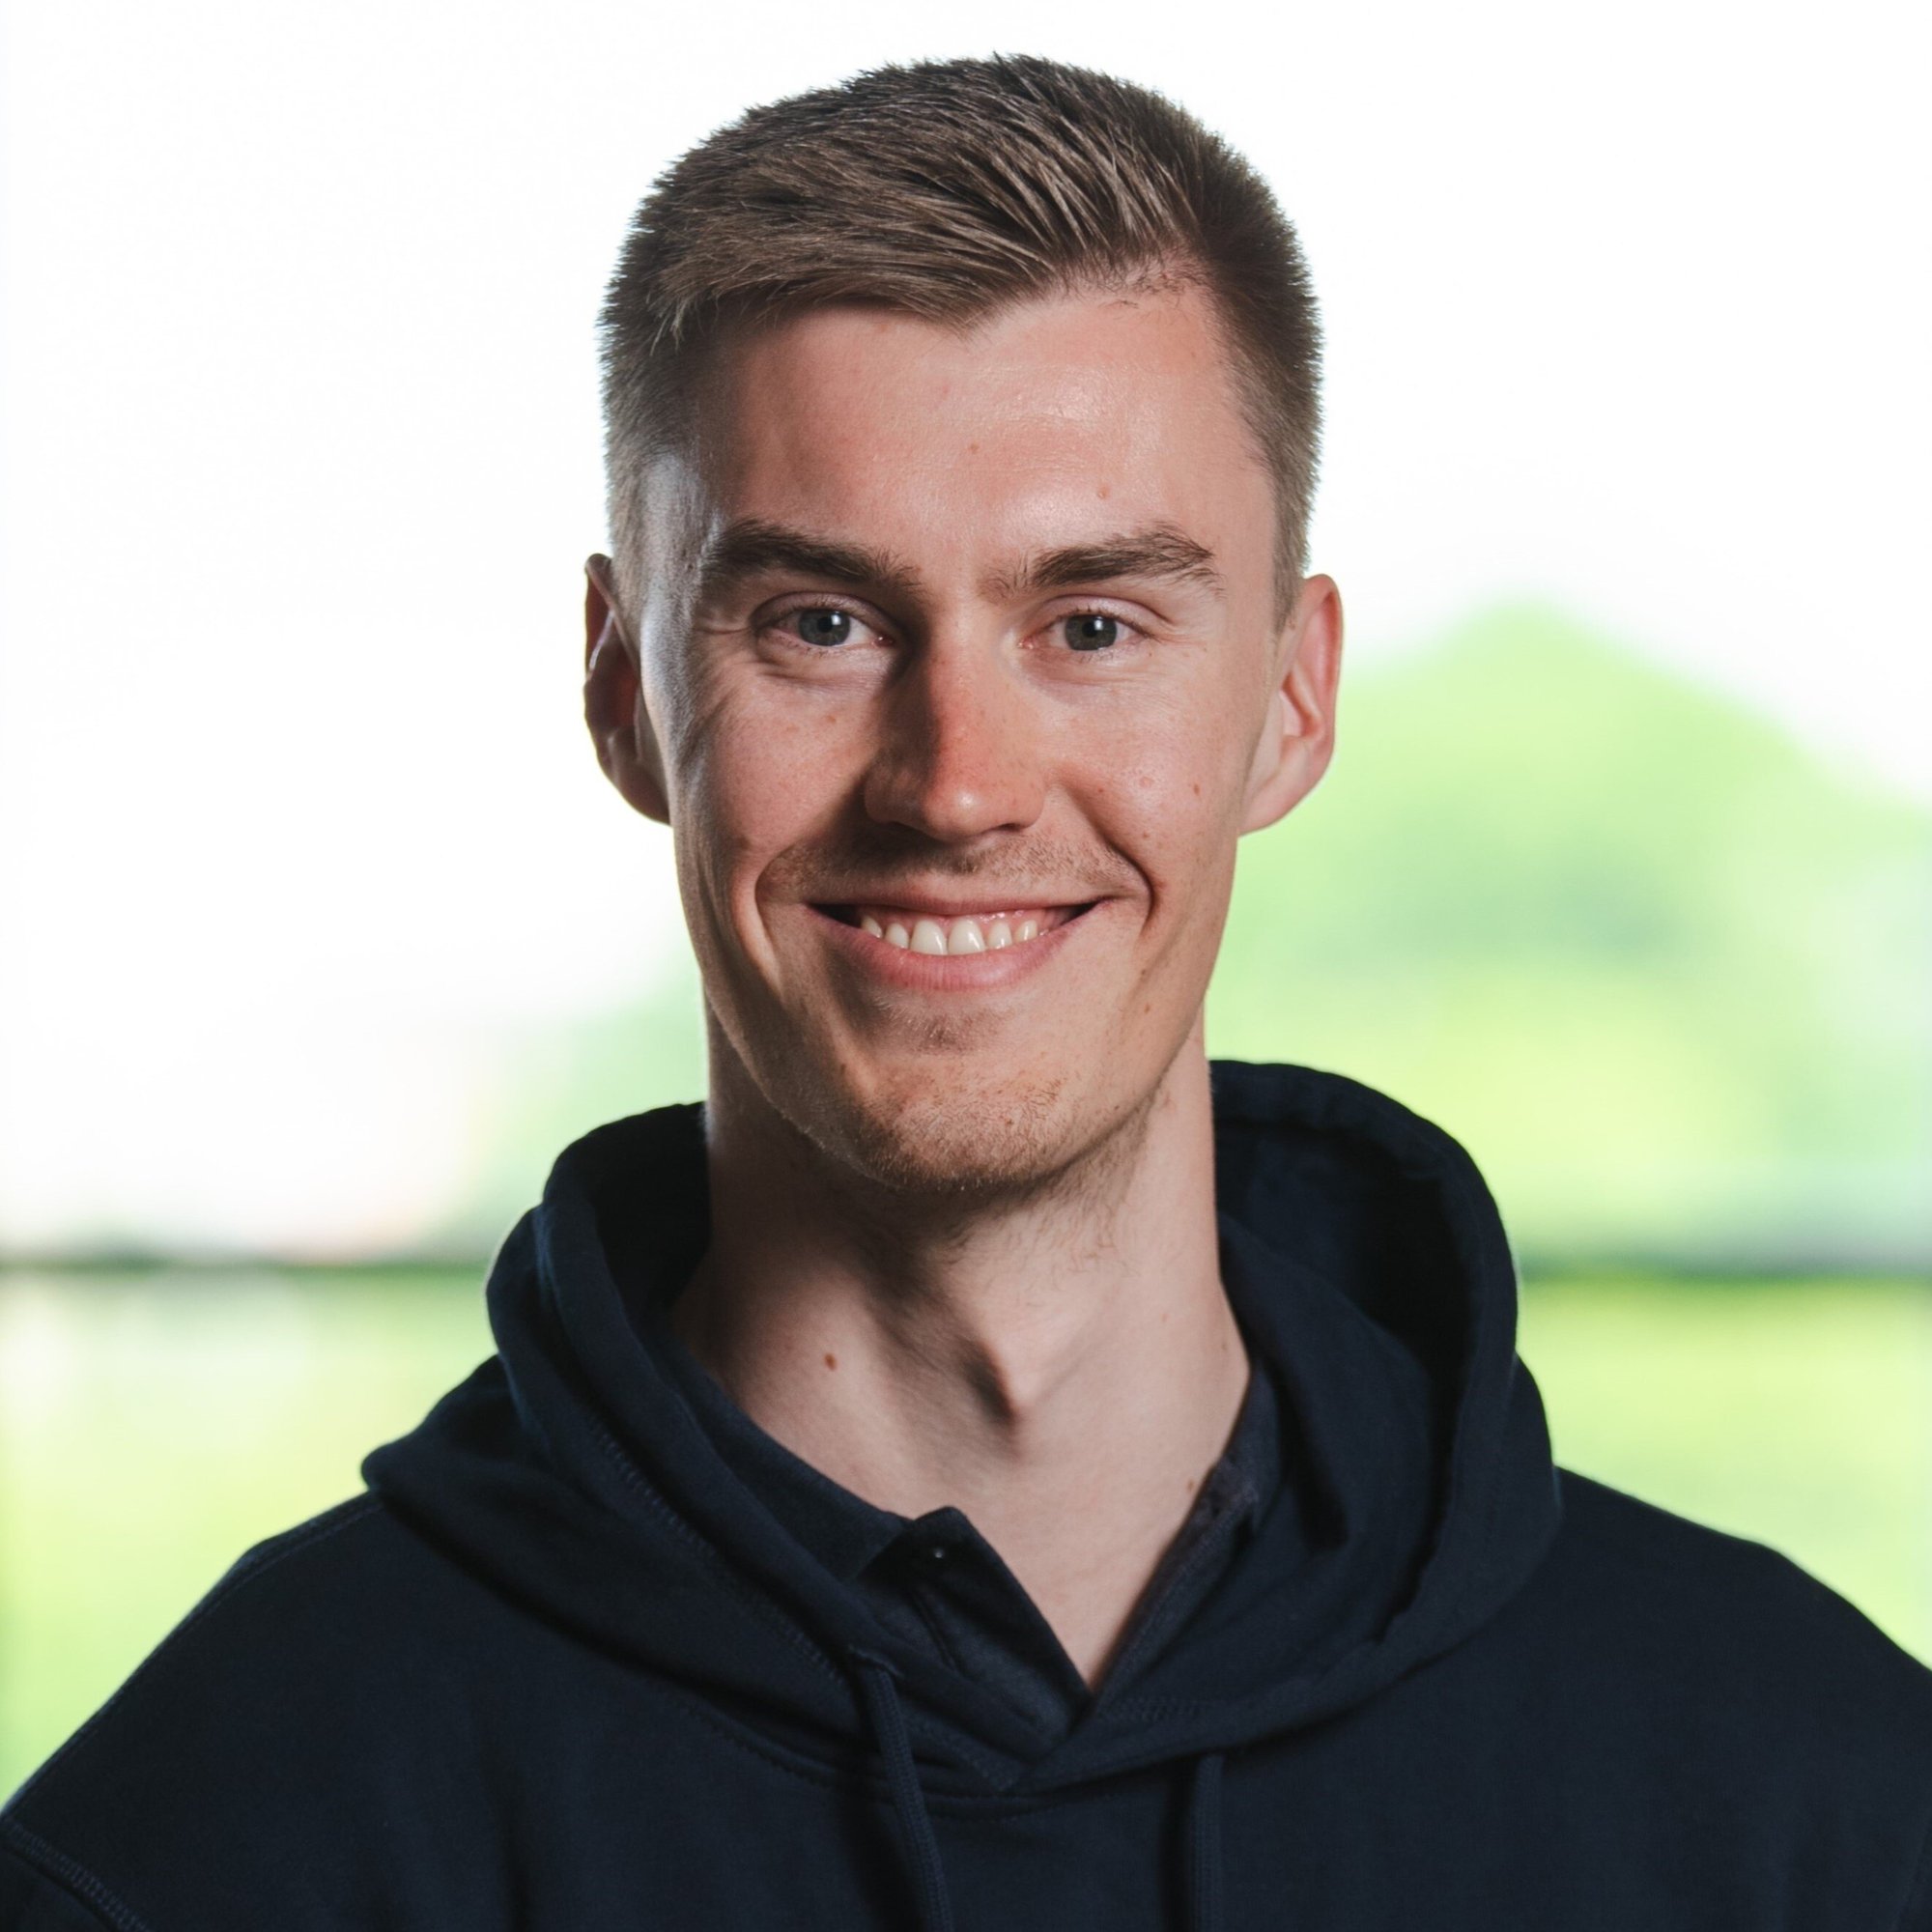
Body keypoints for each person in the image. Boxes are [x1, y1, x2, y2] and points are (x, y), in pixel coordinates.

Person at [3, 52, 1928, 1932]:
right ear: (622, 691)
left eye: (1092, 623)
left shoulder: (1821, 1801)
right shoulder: (208, 1841)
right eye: (822, 623)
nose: (957, 782)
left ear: (1289, 694)